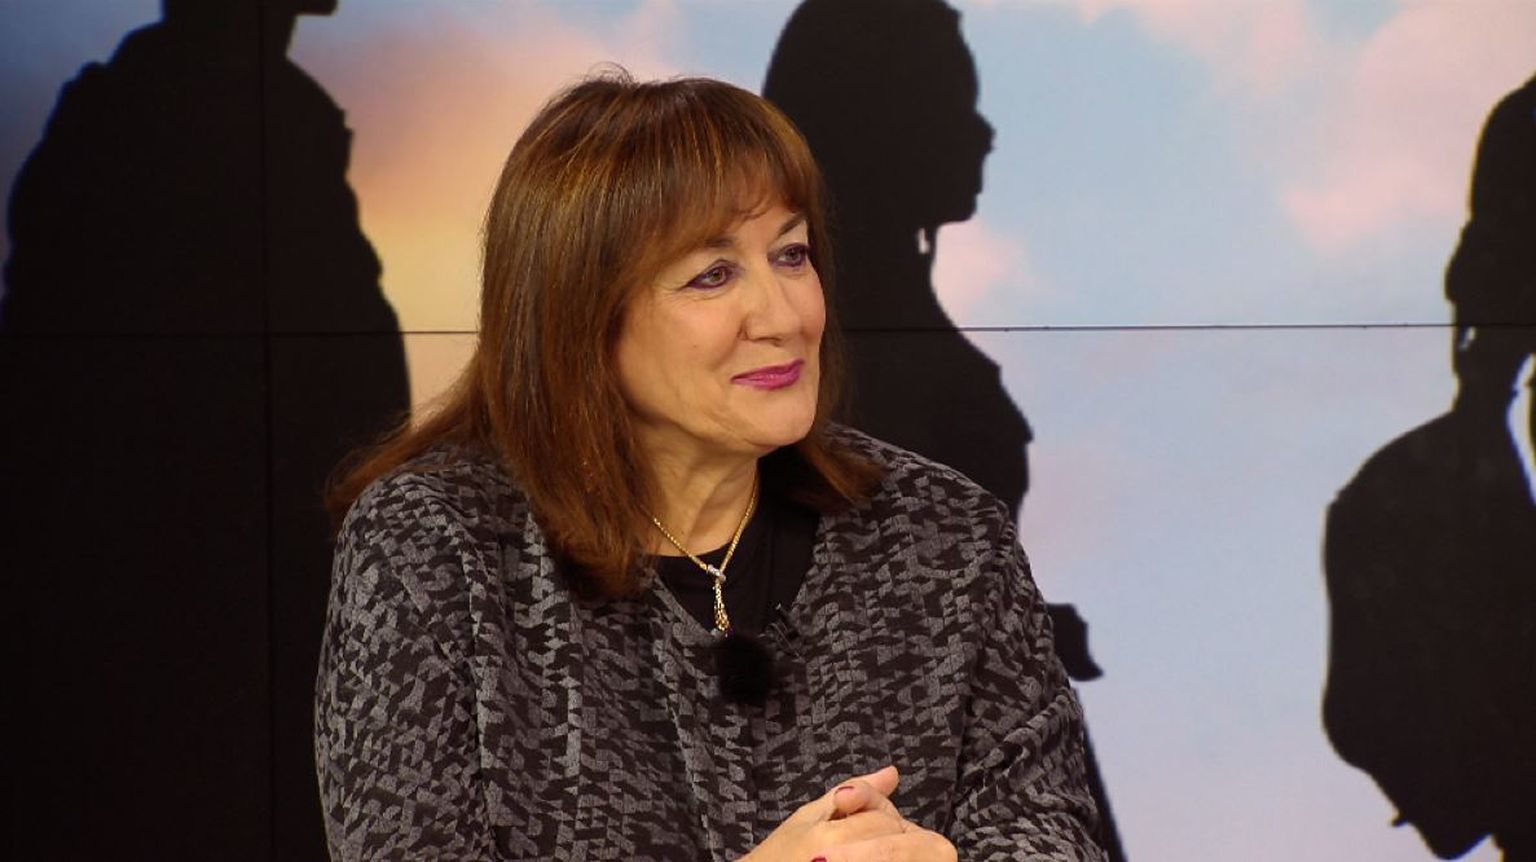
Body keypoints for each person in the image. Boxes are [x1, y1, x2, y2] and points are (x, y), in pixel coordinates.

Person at [314, 72, 1103, 861]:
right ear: (581, 317)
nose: (784, 316)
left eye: (791, 255)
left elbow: (1050, 831)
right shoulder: (433, 547)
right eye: (713, 276)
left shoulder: (946, 535)